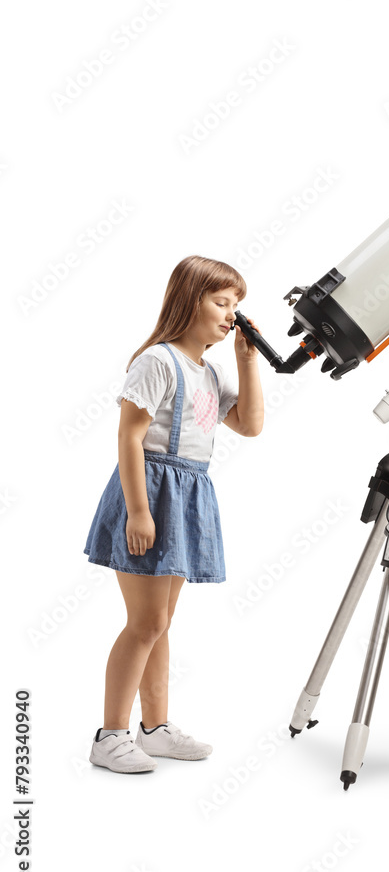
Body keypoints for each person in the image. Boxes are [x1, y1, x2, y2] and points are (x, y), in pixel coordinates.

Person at [83, 255, 263, 773]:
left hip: (186, 497)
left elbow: (249, 425)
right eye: (222, 302)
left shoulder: (212, 372)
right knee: (145, 622)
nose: (231, 314)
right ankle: (110, 735)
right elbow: (130, 436)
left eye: (236, 306)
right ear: (190, 300)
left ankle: (155, 728)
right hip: (151, 491)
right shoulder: (158, 362)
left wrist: (249, 360)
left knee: (161, 623)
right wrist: (138, 511)